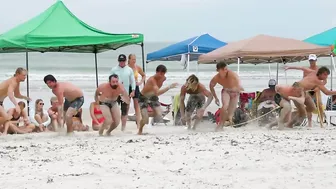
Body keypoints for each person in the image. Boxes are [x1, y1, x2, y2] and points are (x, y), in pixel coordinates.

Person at [138, 65, 178, 135]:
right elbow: (158, 93)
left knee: (159, 114)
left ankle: (145, 116)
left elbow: (156, 94)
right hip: (143, 97)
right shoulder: (152, 80)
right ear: (156, 72)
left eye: (163, 74)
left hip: (153, 96)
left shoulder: (163, 78)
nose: (161, 76)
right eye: (160, 74)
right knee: (145, 120)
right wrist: (169, 87)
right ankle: (140, 130)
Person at [209, 62, 244, 131]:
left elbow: (238, 82)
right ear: (218, 70)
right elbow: (211, 86)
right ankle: (220, 124)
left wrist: (239, 89)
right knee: (225, 106)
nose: (226, 70)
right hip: (226, 91)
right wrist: (215, 98)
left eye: (226, 69)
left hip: (235, 93)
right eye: (224, 69)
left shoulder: (231, 74)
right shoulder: (216, 78)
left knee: (230, 114)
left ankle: (230, 123)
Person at [110, 54, 136, 132]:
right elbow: (109, 80)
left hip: (125, 93)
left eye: (123, 61)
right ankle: (113, 126)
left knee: (124, 111)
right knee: (114, 110)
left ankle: (123, 128)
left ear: (125, 61)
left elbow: (133, 81)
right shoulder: (114, 69)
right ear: (118, 61)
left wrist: (133, 90)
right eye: (120, 61)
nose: (122, 62)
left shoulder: (129, 70)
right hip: (115, 93)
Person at [127, 54, 146, 129]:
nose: (134, 61)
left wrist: (141, 82)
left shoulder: (137, 67)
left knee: (137, 106)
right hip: (127, 87)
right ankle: (124, 124)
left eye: (135, 59)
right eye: (132, 59)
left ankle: (138, 124)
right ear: (129, 59)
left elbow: (144, 75)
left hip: (136, 86)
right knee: (127, 106)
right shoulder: (126, 67)